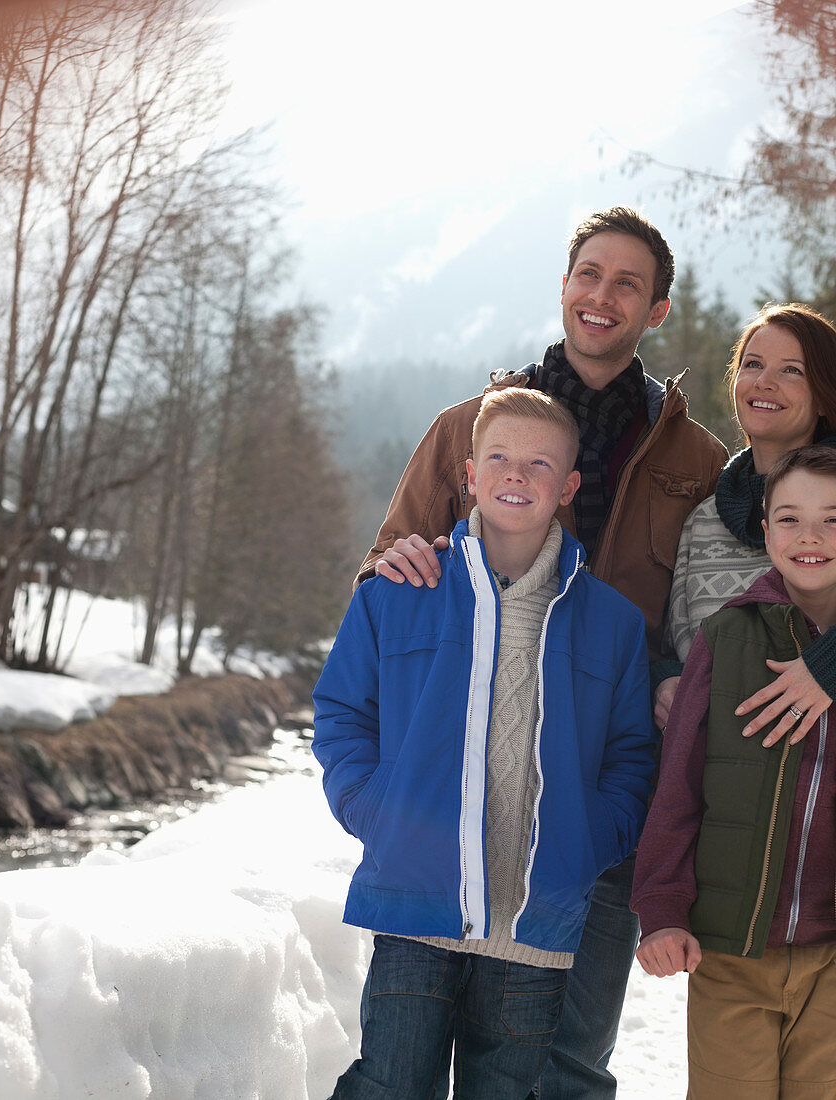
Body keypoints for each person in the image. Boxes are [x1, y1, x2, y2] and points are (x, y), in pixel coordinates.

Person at [355, 207, 727, 1097]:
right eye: (588, 275)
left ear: (659, 310)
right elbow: (382, 578)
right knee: (408, 1059)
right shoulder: (465, 429)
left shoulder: (699, 462)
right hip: (458, 799)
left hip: (597, 798)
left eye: (627, 283)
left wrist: (673, 691)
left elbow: (712, 616)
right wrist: (393, 565)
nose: (603, 296)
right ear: (564, 286)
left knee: (563, 1063)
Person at [314, 388, 657, 1098]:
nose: (516, 475)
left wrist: (593, 837)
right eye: (498, 457)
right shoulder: (397, 592)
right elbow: (342, 713)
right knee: (389, 1085)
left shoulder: (612, 625)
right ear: (469, 474)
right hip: (415, 904)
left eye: (539, 464)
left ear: (567, 487)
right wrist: (376, 809)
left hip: (537, 923)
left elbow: (632, 755)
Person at [631, 444, 836, 1100]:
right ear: (764, 528)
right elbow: (679, 788)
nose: (810, 536)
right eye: (790, 518)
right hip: (732, 949)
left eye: (835, 519)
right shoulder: (726, 639)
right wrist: (662, 907)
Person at [657, 303, 836, 742]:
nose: (764, 382)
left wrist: (827, 665)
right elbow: (673, 641)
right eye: (752, 364)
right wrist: (662, 682)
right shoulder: (704, 519)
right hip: (721, 782)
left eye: (791, 370)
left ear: (824, 395)